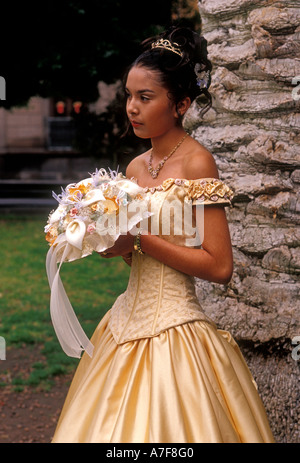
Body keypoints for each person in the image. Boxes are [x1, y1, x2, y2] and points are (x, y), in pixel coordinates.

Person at [51, 26, 274, 443]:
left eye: (145, 97)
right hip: (122, 323)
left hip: (176, 328)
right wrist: (108, 243)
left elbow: (220, 266)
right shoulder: (135, 168)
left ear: (182, 104)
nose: (132, 108)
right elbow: (138, 255)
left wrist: (138, 241)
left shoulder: (197, 163)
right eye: (129, 96)